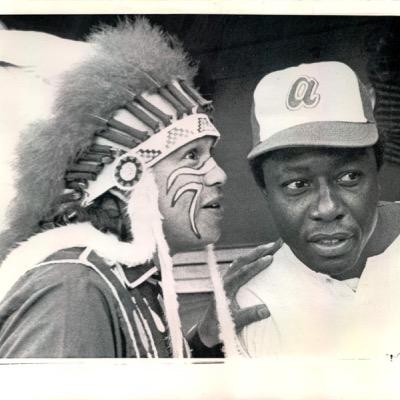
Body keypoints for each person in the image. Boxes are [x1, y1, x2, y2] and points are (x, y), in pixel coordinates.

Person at [0, 18, 275, 358]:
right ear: (126, 176)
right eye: (192, 156)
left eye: (210, 154)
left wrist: (203, 341)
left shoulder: (125, 278)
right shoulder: (74, 289)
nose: (218, 174)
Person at [236, 61, 400, 358]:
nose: (327, 208)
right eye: (297, 184)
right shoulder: (253, 301)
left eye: (349, 176)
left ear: (377, 171)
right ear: (265, 192)